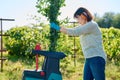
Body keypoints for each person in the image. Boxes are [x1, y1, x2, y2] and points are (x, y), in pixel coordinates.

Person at [50, 7, 107, 80]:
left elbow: (75, 32)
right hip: (89, 58)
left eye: (78, 18)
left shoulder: (92, 25)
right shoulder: (83, 26)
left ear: (84, 15)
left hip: (96, 57)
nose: (78, 21)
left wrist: (57, 27)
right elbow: (73, 30)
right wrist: (59, 27)